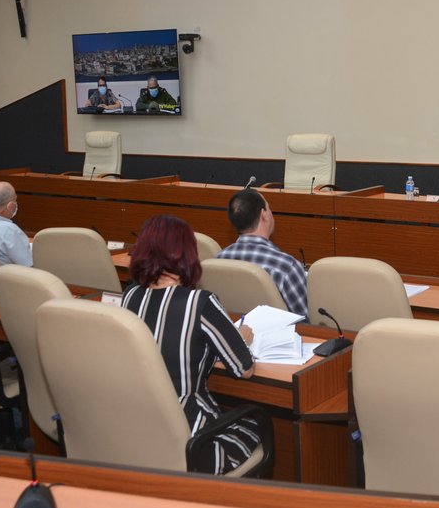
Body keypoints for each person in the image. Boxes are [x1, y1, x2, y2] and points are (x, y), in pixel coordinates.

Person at [120, 214, 260, 474]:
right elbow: (244, 368)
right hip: (191, 443)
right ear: (187, 254)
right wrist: (243, 337)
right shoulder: (200, 302)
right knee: (256, 425)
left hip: (138, 434)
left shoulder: (129, 296)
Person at [218, 189, 308, 317]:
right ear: (264, 215)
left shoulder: (219, 259)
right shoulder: (287, 267)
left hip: (233, 333)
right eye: (269, 208)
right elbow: (306, 324)